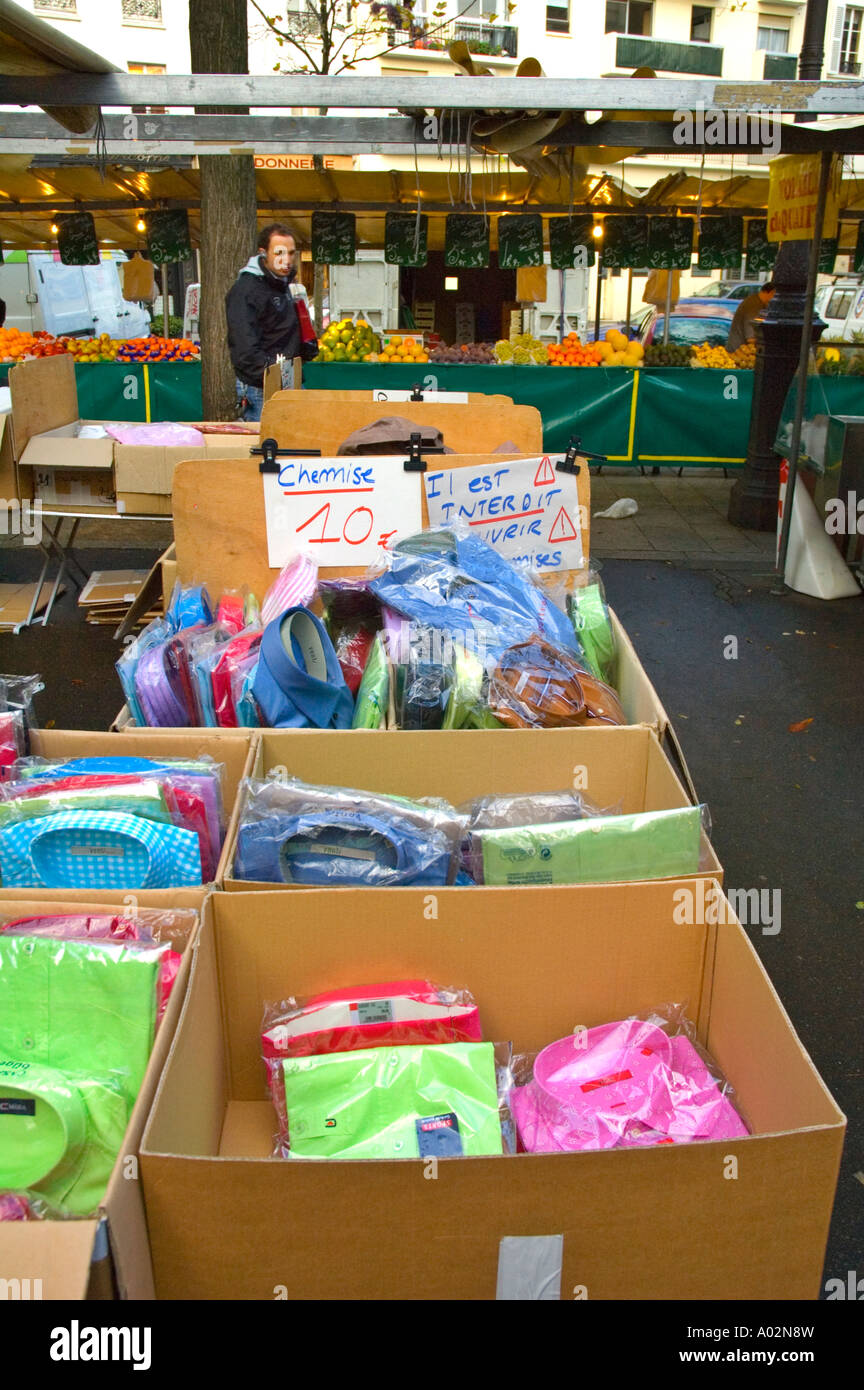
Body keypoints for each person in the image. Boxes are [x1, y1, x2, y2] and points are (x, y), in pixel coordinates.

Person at [225, 223, 316, 422]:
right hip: (263, 387)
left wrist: (306, 347)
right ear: (263, 253)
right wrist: (271, 376)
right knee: (269, 446)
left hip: (287, 380)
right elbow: (244, 346)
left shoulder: (284, 286)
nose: (287, 260)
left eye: (291, 253)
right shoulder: (246, 290)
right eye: (279, 253)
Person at [726, 281, 775, 353]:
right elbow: (751, 338)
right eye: (775, 294)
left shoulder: (755, 301)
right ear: (771, 292)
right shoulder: (754, 305)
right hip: (739, 353)